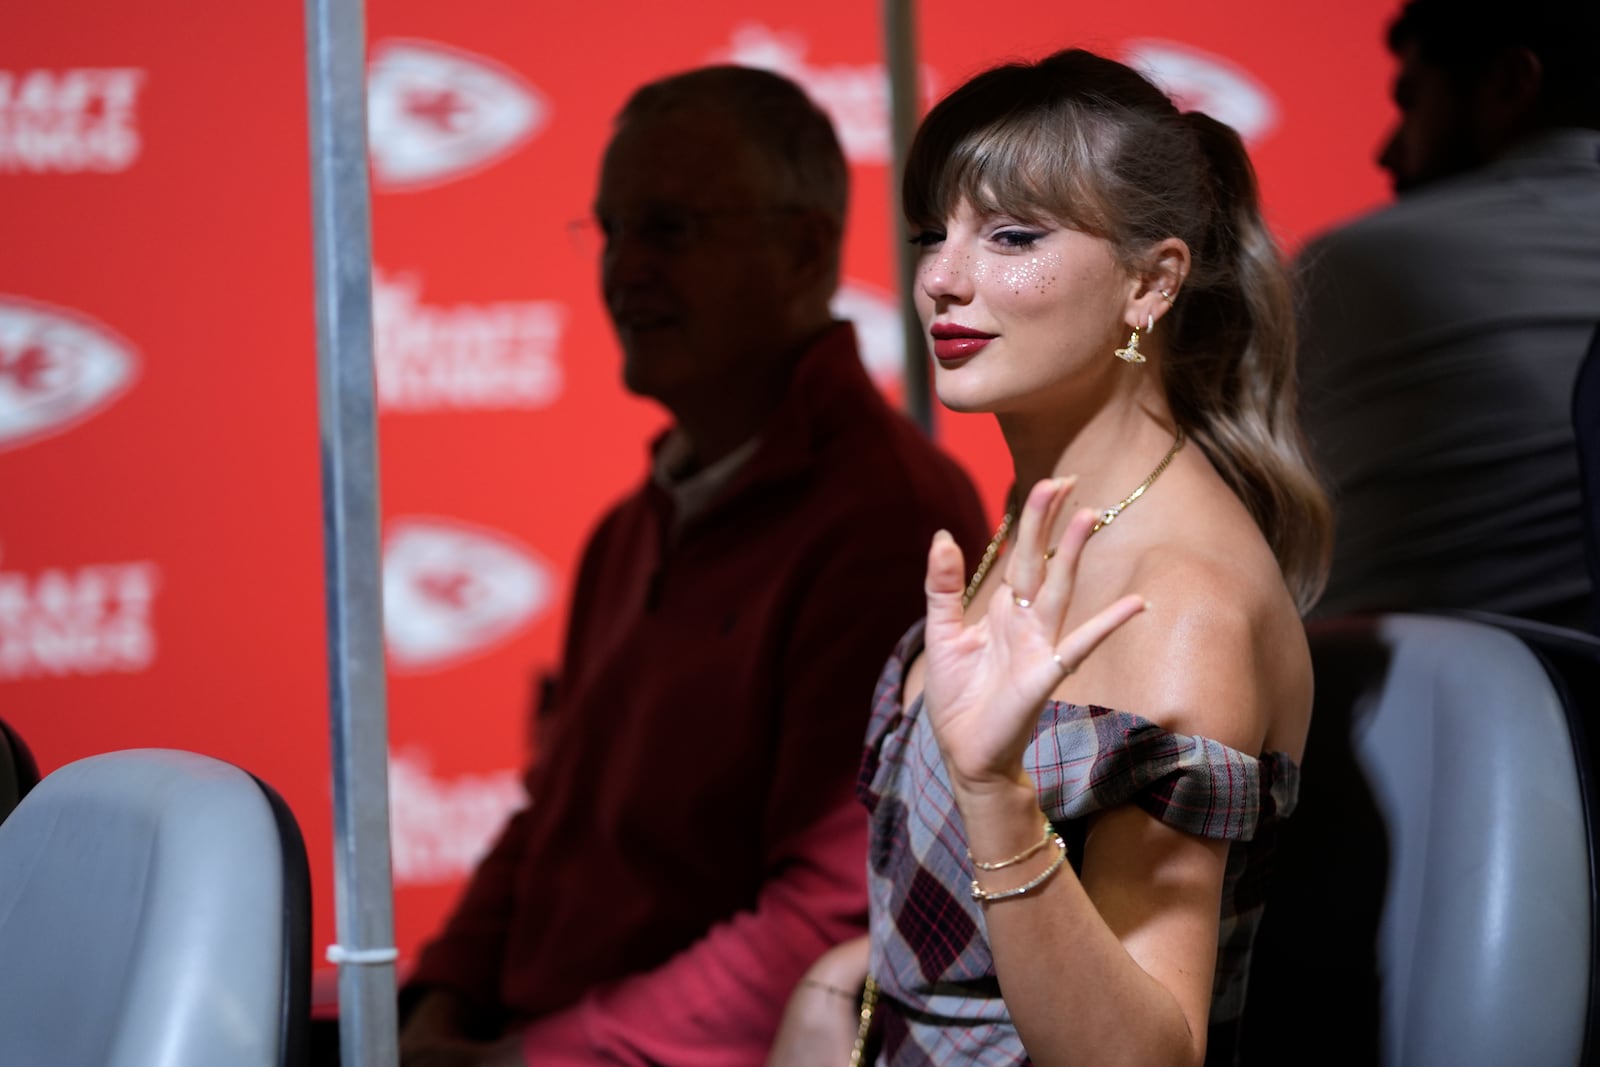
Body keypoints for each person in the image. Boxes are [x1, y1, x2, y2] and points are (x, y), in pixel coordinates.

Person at [397, 66, 990, 1067]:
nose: (622, 269)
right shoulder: (630, 528)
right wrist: (438, 996)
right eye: (611, 228)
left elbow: (826, 925)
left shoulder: (888, 521)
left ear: (802, 249)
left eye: (669, 228)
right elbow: (553, 818)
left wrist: (526, 1060)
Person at [768, 48, 1332, 1066]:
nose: (940, 276)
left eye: (1011, 236)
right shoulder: (1052, 516)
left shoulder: (1180, 605)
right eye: (932, 235)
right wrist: (839, 982)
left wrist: (992, 793)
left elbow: (1145, 1054)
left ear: (1151, 283)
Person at [1295, 0, 1600, 628]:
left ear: (1511, 85)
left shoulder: (1358, 261)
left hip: (1388, 705)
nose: (1388, 152)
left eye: (1412, 102)